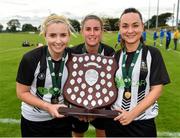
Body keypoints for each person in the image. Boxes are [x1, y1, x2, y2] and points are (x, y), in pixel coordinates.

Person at [104, 8, 170, 137]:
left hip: (142, 122)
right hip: (115, 120)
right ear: (120, 29)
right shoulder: (114, 57)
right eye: (125, 26)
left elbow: (157, 90)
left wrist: (131, 114)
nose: (130, 31)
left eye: (135, 25)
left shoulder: (153, 53)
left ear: (142, 26)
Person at [16, 14, 74, 137]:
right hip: (35, 120)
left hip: (63, 117)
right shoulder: (30, 58)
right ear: (45, 36)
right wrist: (47, 107)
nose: (58, 41)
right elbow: (21, 92)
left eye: (63, 35)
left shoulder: (74, 58)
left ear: (69, 36)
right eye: (53, 35)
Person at [70, 14, 115, 138]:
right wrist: (79, 107)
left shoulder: (110, 53)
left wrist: (99, 107)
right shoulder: (73, 53)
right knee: (78, 134)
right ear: (82, 31)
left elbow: (110, 83)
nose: (92, 33)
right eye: (88, 29)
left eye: (96, 29)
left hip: (102, 105)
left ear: (101, 31)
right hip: (78, 104)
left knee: (102, 133)